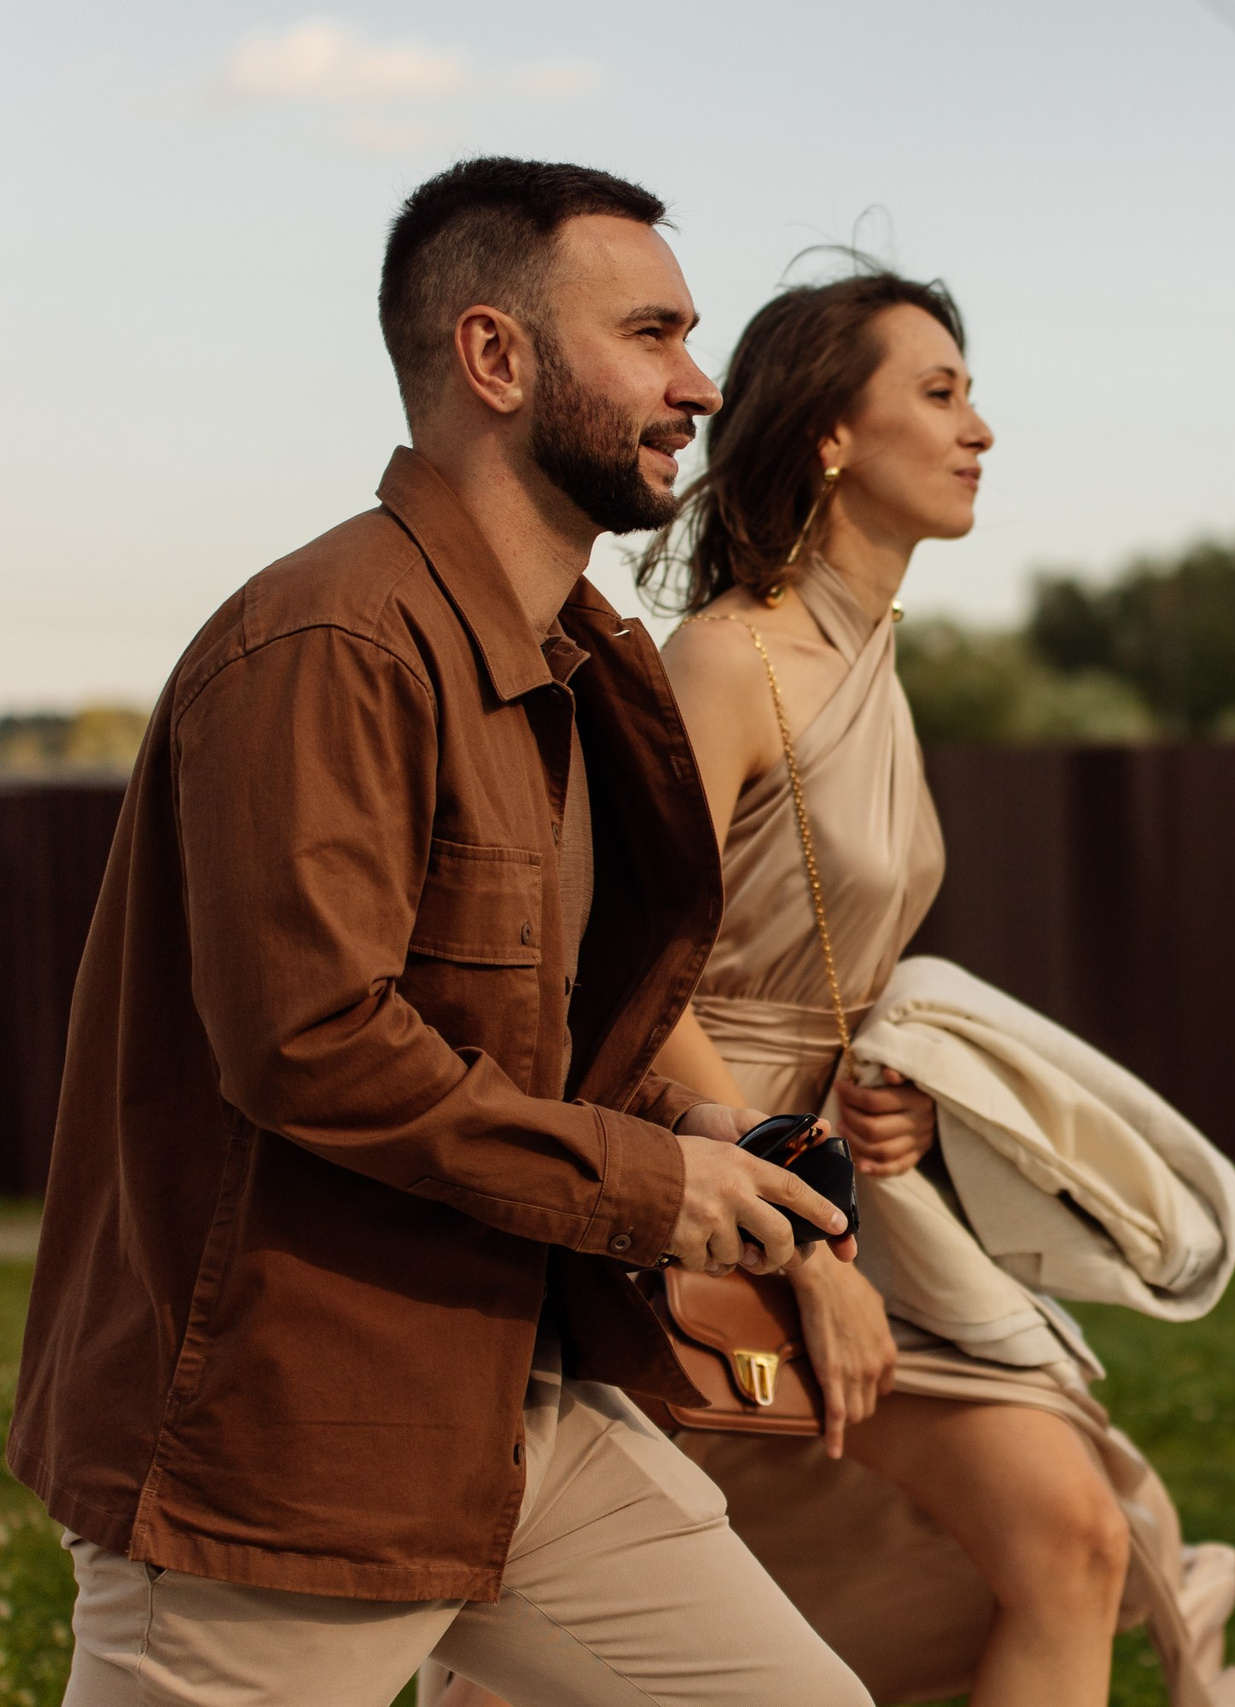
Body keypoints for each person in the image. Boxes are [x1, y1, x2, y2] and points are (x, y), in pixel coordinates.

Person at [6, 157, 878, 1705]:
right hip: (275, 1469)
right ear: (496, 357)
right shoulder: (331, 643)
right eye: (655, 333)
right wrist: (654, 1185)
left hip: (511, 1418)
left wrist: (705, 1137)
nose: (700, 382)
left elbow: (516, 1026)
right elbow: (315, 1043)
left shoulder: (572, 663)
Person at [611, 261, 1235, 1707]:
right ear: (833, 436)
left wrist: (884, 1085)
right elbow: (634, 973)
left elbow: (831, 969)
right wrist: (804, 1241)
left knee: (1071, 1539)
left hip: (847, 1182)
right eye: (943, 393)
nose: (980, 431)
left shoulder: (875, 662)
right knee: (632, 1636)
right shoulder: (724, 662)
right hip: (716, 1199)